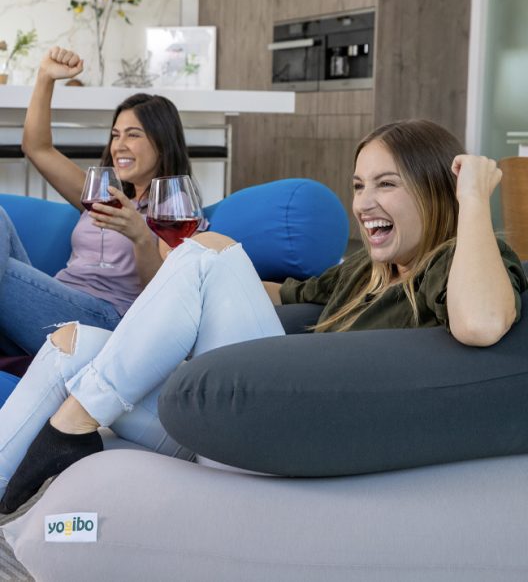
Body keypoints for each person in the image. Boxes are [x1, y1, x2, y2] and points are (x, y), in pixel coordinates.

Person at [0, 119, 525, 514]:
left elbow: (481, 324)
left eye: (386, 184)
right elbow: (276, 293)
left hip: (292, 443)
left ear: (437, 190)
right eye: (359, 185)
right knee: (72, 344)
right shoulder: (365, 271)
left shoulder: (452, 264)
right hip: (244, 427)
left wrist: (474, 200)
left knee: (210, 253)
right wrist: (188, 272)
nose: (364, 203)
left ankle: (74, 424)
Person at [0, 46, 193, 356]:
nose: (119, 146)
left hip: (103, 321)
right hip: (53, 305)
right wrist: (46, 77)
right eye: (115, 135)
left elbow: (165, 297)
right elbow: (36, 147)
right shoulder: (102, 195)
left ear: (162, 142)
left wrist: (140, 236)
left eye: (133, 135)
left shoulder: (173, 208)